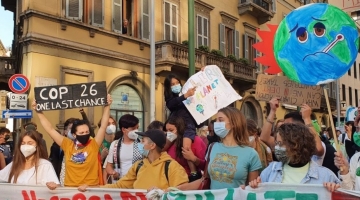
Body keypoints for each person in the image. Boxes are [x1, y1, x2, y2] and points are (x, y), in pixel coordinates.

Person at [32, 95, 112, 187]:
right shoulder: (67, 144)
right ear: (74, 134)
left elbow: (103, 126)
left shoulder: (94, 144)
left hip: (91, 191)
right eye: (81, 132)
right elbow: (50, 129)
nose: (85, 134)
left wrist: (107, 106)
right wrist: (38, 111)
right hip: (70, 191)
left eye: (87, 132)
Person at [179, 107, 262, 190]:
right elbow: (204, 180)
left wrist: (254, 185)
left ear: (233, 123)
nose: (216, 123)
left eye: (221, 120)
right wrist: (178, 189)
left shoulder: (251, 154)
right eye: (216, 120)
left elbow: (252, 190)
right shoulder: (212, 147)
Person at [78, 129, 189, 191]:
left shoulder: (172, 167)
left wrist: (162, 193)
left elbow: (182, 193)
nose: (139, 144)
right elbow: (119, 186)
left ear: (152, 146)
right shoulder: (138, 166)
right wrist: (92, 188)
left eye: (143, 141)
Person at [248, 123, 340, 192]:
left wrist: (335, 190)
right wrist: (254, 188)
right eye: (276, 143)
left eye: (281, 144)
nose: (277, 148)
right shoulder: (270, 171)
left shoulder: (326, 176)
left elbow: (346, 195)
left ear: (296, 146)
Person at [163, 74, 198, 180]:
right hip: (175, 127)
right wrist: (185, 96)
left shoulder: (189, 92)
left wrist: (204, 71)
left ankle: (194, 173)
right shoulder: (172, 100)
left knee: (186, 148)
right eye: (172, 84)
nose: (176, 85)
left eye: (177, 83)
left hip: (188, 126)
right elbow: (171, 104)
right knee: (163, 147)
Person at [165, 117, 206, 182]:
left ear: (180, 128)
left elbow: (205, 166)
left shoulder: (196, 141)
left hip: (189, 181)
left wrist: (194, 159)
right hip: (172, 180)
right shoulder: (169, 142)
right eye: (167, 130)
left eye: (171, 130)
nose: (168, 133)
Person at [104, 114, 143, 183]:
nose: (136, 131)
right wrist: (112, 172)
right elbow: (109, 165)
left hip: (138, 183)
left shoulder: (142, 144)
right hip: (120, 183)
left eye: (137, 128)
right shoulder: (115, 145)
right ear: (124, 129)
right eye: (133, 129)